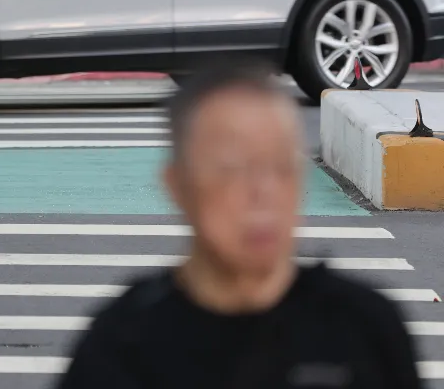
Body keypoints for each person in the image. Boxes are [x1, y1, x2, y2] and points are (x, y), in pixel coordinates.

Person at [60, 63, 422, 389]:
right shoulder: (124, 343)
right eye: (232, 168)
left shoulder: (364, 328)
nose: (263, 195)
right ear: (178, 185)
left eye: (281, 166)